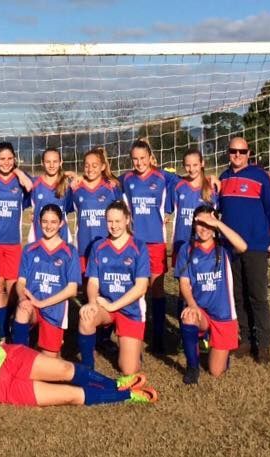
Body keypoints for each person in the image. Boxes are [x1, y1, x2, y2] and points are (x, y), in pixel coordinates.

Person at [0, 306, 157, 410]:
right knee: (69, 395)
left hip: (10, 359)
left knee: (64, 369)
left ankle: (116, 383)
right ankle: (127, 395)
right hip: (1, 389)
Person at [219, 137, 270, 364]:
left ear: (249, 153)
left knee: (257, 297)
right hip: (230, 248)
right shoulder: (223, 178)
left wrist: (266, 239)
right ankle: (245, 339)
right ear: (228, 152)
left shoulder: (261, 177)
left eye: (241, 151)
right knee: (237, 295)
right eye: (233, 151)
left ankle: (263, 345)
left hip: (255, 248)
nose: (237, 155)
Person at [175, 205, 247, 384]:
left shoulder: (224, 248)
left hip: (223, 315)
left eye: (208, 223)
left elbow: (243, 246)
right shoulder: (187, 249)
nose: (204, 227)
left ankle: (218, 349)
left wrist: (218, 223)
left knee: (216, 371)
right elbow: (184, 283)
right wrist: (191, 305)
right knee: (189, 317)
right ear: (193, 224)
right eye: (200, 222)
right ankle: (192, 367)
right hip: (201, 311)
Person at [119, 139, 179, 353]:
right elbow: (106, 183)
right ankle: (134, 333)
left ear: (150, 157)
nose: (139, 162)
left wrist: (169, 211)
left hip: (156, 242)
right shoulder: (126, 179)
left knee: (156, 289)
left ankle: (158, 336)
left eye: (142, 158)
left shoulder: (163, 177)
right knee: (136, 290)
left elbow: (187, 182)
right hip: (134, 243)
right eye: (134, 159)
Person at [78, 200, 150, 375]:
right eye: (110, 221)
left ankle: (132, 350)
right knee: (86, 317)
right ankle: (88, 370)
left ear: (127, 220)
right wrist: (92, 302)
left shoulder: (139, 247)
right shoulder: (98, 247)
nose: (114, 226)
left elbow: (141, 288)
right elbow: (93, 282)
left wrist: (113, 306)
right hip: (105, 305)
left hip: (130, 309)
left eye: (118, 221)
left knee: (128, 369)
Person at [11, 204, 81, 358]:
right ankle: (18, 358)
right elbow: (21, 282)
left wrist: (42, 303)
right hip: (32, 306)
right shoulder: (29, 249)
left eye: (53, 222)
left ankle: (39, 345)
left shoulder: (69, 252)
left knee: (49, 362)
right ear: (39, 222)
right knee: (23, 310)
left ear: (61, 223)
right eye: (45, 221)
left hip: (54, 311)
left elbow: (72, 290)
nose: (48, 226)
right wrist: (23, 298)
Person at [0, 141, 33, 341]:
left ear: (15, 159)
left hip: (13, 243)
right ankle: (3, 333)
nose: (6, 162)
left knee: (14, 288)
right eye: (1, 159)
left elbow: (33, 188)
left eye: (10, 158)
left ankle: (13, 322)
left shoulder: (21, 181)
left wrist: (19, 173)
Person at [71, 147, 123, 274]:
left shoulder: (111, 188)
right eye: (87, 165)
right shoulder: (76, 188)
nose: (90, 169)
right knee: (86, 286)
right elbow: (61, 207)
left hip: (107, 246)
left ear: (103, 166)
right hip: (83, 246)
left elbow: (122, 214)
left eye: (95, 165)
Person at [167, 148, 219, 268]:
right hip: (181, 242)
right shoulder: (178, 186)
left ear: (202, 163)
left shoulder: (211, 187)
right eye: (187, 165)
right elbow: (168, 210)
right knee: (183, 283)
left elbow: (217, 215)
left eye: (195, 164)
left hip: (204, 244)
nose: (192, 169)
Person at [27, 147, 73, 243]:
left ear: (61, 162)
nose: (51, 165)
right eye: (48, 162)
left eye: (55, 161)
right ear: (42, 163)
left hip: (62, 237)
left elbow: (68, 208)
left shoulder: (67, 185)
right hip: (38, 238)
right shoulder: (34, 183)